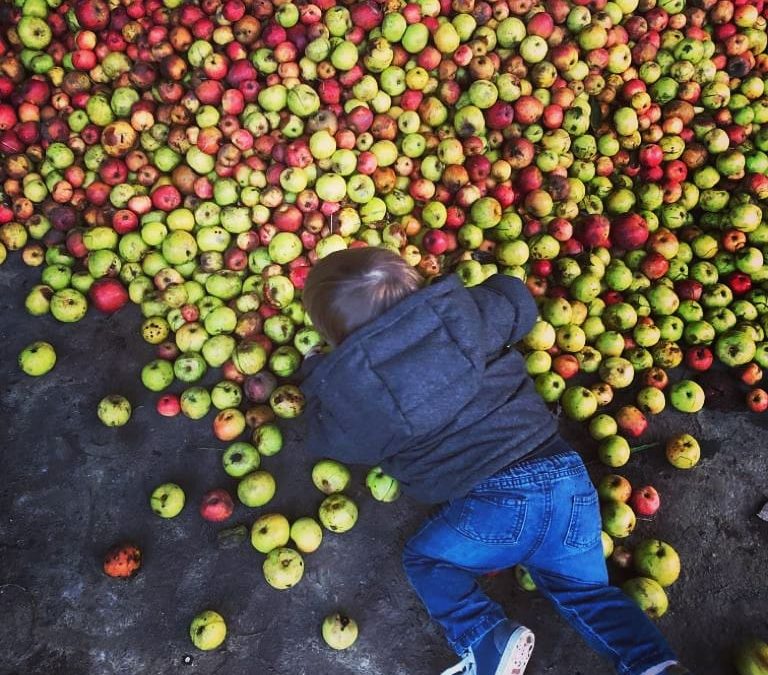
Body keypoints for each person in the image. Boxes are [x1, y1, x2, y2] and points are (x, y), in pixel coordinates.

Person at [299, 246, 689, 675]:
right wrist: (476, 297)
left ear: (339, 343)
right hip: (566, 483)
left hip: (494, 507)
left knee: (426, 561)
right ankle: (656, 664)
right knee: (589, 593)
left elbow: (326, 436)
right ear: (418, 290)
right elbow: (518, 300)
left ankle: (486, 637)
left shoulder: (356, 395)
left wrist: (320, 376)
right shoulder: (463, 315)